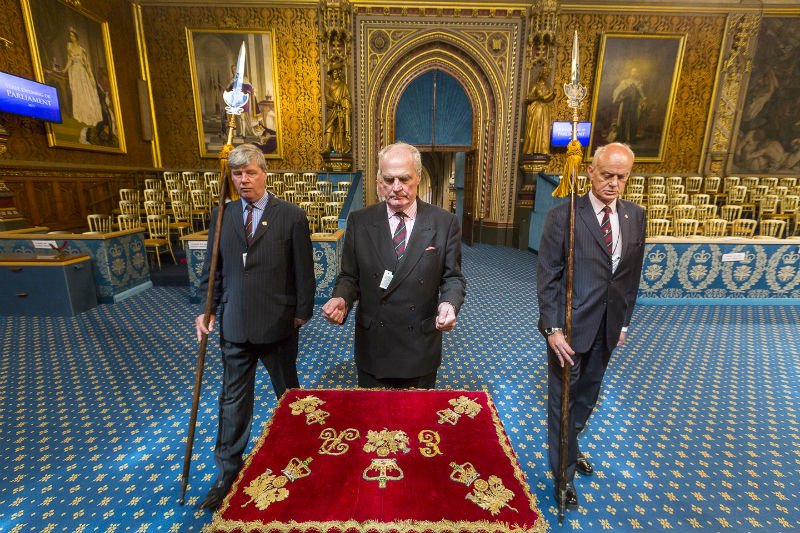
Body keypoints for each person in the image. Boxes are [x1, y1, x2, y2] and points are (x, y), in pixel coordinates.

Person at [194, 143, 315, 509]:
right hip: (234, 325)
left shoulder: (291, 215)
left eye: (250, 172)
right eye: (237, 174)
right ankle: (226, 474)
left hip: (278, 326)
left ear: (264, 173)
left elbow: (303, 271)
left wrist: (302, 312)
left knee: (289, 397)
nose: (243, 180)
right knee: (232, 403)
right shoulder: (223, 214)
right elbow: (212, 269)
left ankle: (303, 458)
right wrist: (206, 309)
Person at [537, 142, 646, 510]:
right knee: (563, 401)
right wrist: (552, 329)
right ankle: (563, 476)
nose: (613, 183)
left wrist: (624, 322)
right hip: (568, 329)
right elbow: (548, 277)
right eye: (607, 175)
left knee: (587, 396)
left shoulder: (635, 216)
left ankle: (572, 444)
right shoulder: (564, 215)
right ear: (590, 172)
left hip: (608, 326)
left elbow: (630, 278)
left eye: (622, 177)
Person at [321, 142, 466, 389]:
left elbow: (453, 277)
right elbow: (349, 277)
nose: (396, 188)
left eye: (404, 179)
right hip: (374, 344)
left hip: (419, 344)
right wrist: (341, 298)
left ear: (418, 177)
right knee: (371, 412)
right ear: (379, 181)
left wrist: (449, 304)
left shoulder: (444, 222)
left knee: (417, 413)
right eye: (389, 180)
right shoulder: (359, 221)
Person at [62, 28, 103, 126]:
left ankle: (88, 115)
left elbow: (87, 65)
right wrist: (64, 69)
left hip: (82, 73)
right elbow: (69, 61)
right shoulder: (69, 47)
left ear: (76, 37)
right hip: (74, 73)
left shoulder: (82, 50)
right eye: (70, 36)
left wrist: (90, 77)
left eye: (73, 36)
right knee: (77, 92)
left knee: (85, 92)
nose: (71, 37)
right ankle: (80, 115)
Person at [522, 67, 556, 155]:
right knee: (534, 128)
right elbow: (528, 98)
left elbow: (550, 97)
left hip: (545, 110)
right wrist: (537, 97)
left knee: (544, 129)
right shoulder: (536, 86)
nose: (546, 75)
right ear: (541, 73)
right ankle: (531, 149)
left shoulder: (548, 87)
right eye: (545, 73)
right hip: (536, 109)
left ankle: (543, 150)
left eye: (547, 74)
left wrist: (551, 95)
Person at [323, 61, 351, 154]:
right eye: (333, 72)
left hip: (340, 109)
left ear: (339, 72)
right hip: (332, 108)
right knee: (329, 125)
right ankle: (328, 146)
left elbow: (347, 96)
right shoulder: (328, 83)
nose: (335, 74)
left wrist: (344, 101)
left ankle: (340, 146)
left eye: (336, 72)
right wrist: (334, 101)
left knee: (340, 126)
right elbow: (327, 95)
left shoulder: (343, 85)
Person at [611, 68, 645, 143]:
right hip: (626, 103)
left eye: (636, 72)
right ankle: (622, 137)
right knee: (623, 119)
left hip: (634, 104)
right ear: (630, 72)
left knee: (633, 121)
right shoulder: (625, 82)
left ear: (638, 73)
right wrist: (616, 98)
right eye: (633, 71)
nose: (634, 73)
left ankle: (632, 139)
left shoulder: (639, 83)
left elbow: (642, 94)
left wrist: (643, 100)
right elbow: (617, 90)